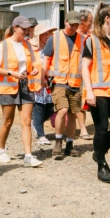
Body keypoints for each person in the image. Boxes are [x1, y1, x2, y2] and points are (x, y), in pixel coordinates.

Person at [80, 3, 110, 184]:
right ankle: (102, 165)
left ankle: (98, 151)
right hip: (99, 91)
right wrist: (89, 92)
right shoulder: (92, 40)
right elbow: (84, 67)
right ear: (107, 18)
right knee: (101, 129)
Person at [0, 16, 43, 167]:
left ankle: (28, 156)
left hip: (26, 85)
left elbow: (32, 64)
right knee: (8, 121)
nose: (26, 32)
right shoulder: (4, 45)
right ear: (15, 28)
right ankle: (1, 150)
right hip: (8, 87)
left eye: (27, 29)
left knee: (26, 121)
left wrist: (33, 70)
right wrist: (11, 73)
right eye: (23, 29)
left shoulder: (27, 45)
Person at [41, 10, 84, 160]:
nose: (74, 27)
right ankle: (58, 141)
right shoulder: (55, 38)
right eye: (72, 24)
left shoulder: (82, 39)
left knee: (73, 114)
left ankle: (70, 145)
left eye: (76, 25)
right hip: (59, 81)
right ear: (65, 22)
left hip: (75, 83)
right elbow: (46, 58)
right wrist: (43, 77)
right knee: (63, 110)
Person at [31, 22, 57, 146]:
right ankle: (41, 135)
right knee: (39, 107)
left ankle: (36, 123)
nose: (47, 36)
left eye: (48, 34)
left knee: (51, 108)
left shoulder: (52, 49)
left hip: (50, 83)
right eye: (44, 34)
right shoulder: (33, 50)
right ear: (38, 36)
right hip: (37, 84)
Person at [76, 9, 94, 139]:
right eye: (90, 21)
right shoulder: (74, 36)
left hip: (91, 73)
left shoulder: (92, 36)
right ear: (82, 21)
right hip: (77, 74)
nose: (92, 23)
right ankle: (83, 129)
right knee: (79, 102)